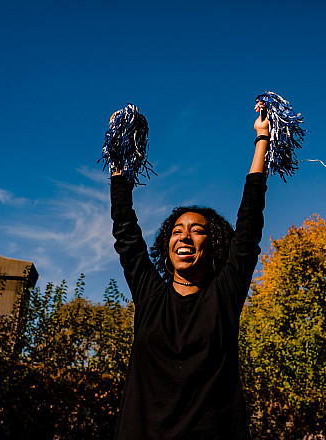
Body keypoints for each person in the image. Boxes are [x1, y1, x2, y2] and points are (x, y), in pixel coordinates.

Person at [109, 102, 270, 440]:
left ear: (214, 246)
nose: (184, 236)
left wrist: (262, 139)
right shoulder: (151, 295)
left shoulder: (223, 297)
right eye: (177, 229)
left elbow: (249, 224)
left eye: (198, 230)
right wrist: (119, 169)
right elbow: (125, 232)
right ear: (167, 245)